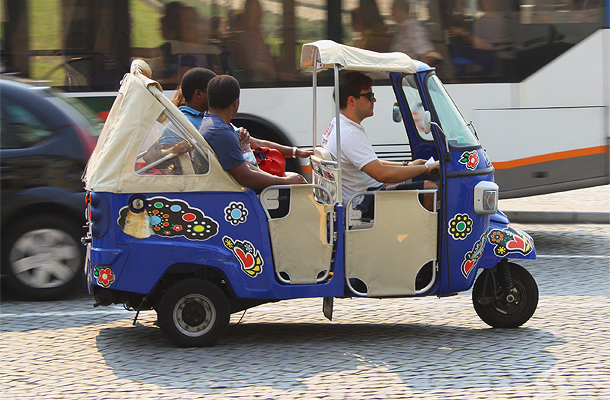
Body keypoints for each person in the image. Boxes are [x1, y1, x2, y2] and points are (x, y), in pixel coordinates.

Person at [321, 71, 440, 211]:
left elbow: (370, 163)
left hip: (367, 194)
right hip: (363, 202)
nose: (374, 100)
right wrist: (425, 168)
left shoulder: (339, 125)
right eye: (369, 96)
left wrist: (408, 164)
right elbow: (383, 174)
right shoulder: (349, 134)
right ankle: (424, 233)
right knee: (430, 189)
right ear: (351, 100)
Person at [200, 75, 307, 190]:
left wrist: (296, 152)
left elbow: (257, 144)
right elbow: (245, 176)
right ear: (235, 103)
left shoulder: (212, 123)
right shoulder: (221, 132)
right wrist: (285, 181)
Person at [390, 0, 443, 68]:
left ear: (400, 10)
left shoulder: (413, 29)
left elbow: (426, 54)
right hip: (396, 67)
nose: (392, 14)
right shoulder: (402, 28)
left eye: (393, 10)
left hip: (405, 70)